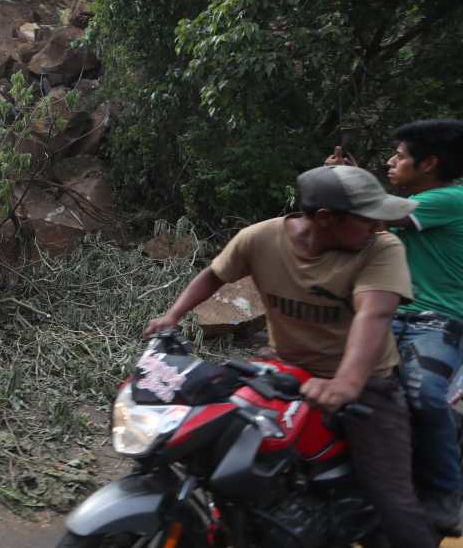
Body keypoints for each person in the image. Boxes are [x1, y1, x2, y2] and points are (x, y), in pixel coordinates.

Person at [144, 165, 436, 548]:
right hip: (283, 370)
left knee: (393, 503)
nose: (379, 226)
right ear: (326, 219)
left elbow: (374, 313)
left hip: (366, 386)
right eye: (369, 219)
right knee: (227, 455)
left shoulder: (381, 248)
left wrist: (346, 383)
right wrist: (173, 316)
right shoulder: (261, 238)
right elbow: (214, 275)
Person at [343, 119, 463, 532]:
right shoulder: (423, 200)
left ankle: (447, 493)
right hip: (394, 312)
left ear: (428, 163)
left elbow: (368, 220)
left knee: (423, 394)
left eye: (399, 156)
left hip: (440, 318)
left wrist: (343, 182)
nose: (391, 162)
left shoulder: (449, 199)